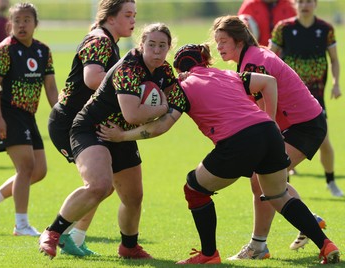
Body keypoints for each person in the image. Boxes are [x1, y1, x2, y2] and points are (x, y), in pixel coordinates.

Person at [96, 43, 340, 265]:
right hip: (270, 133)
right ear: (205, 62)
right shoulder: (228, 74)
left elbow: (161, 126)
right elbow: (269, 82)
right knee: (278, 194)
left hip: (238, 140)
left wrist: (122, 136)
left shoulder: (182, 86)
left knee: (194, 189)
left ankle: (209, 254)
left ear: (180, 70)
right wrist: (271, 119)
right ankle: (326, 245)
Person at [38, 22, 175, 260]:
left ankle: (129, 247)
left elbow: (177, 102)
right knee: (99, 185)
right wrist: (163, 107)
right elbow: (133, 114)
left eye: (162, 46)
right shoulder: (129, 68)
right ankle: (53, 232)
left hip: (120, 133)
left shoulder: (165, 72)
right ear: (141, 45)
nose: (156, 51)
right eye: (151, 44)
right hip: (90, 128)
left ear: (168, 48)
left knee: (134, 197)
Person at [212, 15, 330, 259]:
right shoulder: (252, 57)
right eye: (217, 42)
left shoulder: (254, 62)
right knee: (266, 179)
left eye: (223, 41)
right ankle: (309, 222)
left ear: (239, 40)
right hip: (302, 124)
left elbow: (268, 90)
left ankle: (259, 246)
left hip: (305, 126)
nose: (219, 47)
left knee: (261, 179)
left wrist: (268, 129)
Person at [47, 0, 137, 257]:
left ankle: (74, 236)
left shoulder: (109, 41)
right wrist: (134, 86)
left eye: (135, 15)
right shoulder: (99, 40)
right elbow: (93, 77)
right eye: (127, 15)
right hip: (69, 123)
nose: (133, 20)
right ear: (110, 18)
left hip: (88, 122)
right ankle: (58, 233)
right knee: (99, 184)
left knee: (103, 186)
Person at [0, 2, 58, 237]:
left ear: (35, 24)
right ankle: (21, 224)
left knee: (39, 171)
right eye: (17, 20)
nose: (21, 25)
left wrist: (60, 114)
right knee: (26, 166)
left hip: (28, 115)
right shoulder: (5, 49)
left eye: (26, 20)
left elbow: (50, 88)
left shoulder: (43, 51)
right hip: (8, 113)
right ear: (11, 24)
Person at [269, 0, 343, 198]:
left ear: (316, 4)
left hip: (315, 95)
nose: (305, 5)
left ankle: (331, 182)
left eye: (309, 1)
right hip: (287, 95)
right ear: (295, 4)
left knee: (324, 141)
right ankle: (283, 185)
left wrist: (336, 83)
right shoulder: (283, 28)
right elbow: (269, 57)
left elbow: (334, 60)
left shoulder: (325, 29)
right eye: (301, 1)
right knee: (282, 140)